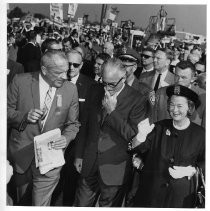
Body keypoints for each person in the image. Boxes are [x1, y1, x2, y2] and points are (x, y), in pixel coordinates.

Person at [7, 50, 80, 206]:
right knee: (23, 203)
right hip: (22, 155)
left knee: (40, 204)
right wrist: (24, 116)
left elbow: (73, 124)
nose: (64, 76)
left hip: (50, 157)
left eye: (66, 72)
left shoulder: (70, 89)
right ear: (44, 70)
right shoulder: (20, 81)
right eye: (58, 73)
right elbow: (5, 112)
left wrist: (65, 139)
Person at [73, 58, 147, 207]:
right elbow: (84, 125)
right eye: (104, 82)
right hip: (88, 162)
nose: (107, 88)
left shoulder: (137, 100)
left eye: (112, 84)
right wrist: (79, 155)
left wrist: (112, 112)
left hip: (115, 168)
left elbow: (133, 136)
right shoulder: (95, 90)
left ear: (124, 77)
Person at [132, 84, 205, 208]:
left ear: (190, 108)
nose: (175, 110)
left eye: (180, 106)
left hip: (181, 199)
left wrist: (193, 170)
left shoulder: (200, 134)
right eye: (171, 105)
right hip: (151, 196)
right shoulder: (158, 127)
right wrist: (139, 137)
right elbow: (138, 150)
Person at [154, 61, 206, 128]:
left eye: (183, 77)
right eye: (176, 76)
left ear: (193, 78)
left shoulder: (203, 97)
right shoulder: (161, 93)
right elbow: (154, 118)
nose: (179, 80)